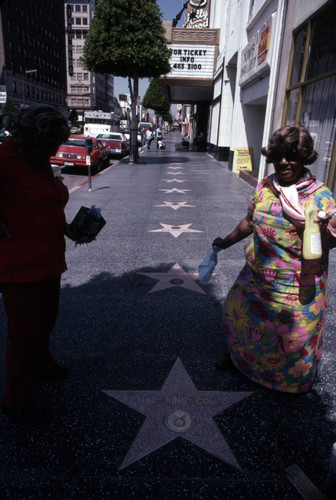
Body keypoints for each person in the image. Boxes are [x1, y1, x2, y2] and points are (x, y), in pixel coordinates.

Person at [213, 124, 336, 394]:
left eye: (291, 155)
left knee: (291, 341)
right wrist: (225, 241)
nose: (283, 162)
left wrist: (320, 228)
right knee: (240, 320)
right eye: (278, 155)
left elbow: (329, 243)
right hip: (257, 279)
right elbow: (249, 221)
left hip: (298, 288)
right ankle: (242, 363)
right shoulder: (265, 187)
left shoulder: (320, 196)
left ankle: (290, 383)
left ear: (304, 157)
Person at [0, 105, 73, 423]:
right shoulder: (4, 160)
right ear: (30, 138)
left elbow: (45, 201)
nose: (55, 150)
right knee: (24, 332)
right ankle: (15, 399)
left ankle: (43, 363)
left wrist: (69, 227)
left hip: (49, 258)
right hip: (18, 265)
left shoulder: (38, 159)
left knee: (46, 320)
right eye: (51, 144)